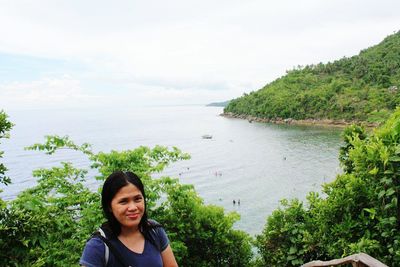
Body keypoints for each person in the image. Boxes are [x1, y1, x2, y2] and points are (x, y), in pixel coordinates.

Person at [80, 171, 178, 267]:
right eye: (123, 201)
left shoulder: (154, 231)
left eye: (137, 199)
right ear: (109, 206)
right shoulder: (98, 247)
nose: (133, 207)